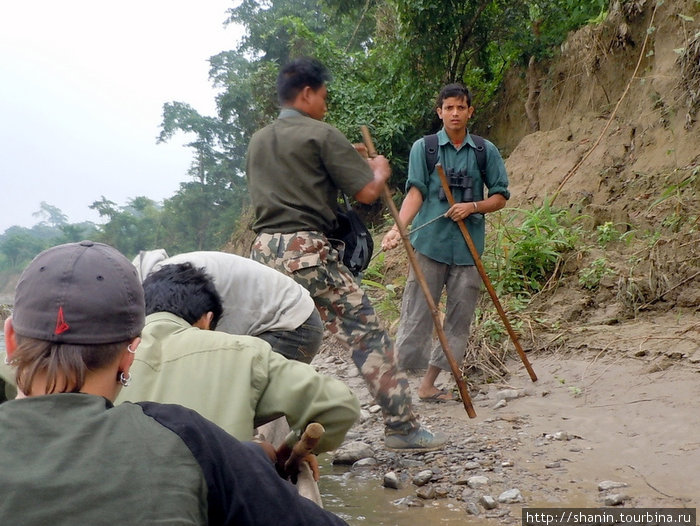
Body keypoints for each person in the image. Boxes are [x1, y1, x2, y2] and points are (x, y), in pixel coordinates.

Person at [0, 240, 346, 526]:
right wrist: (255, 459)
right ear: (129, 352)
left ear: (10, 339)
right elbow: (337, 406)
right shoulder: (184, 436)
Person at [246, 56, 445, 451]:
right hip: (306, 250)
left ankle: (247, 421)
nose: (326, 104)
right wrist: (380, 170)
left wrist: (346, 154)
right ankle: (402, 428)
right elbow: (366, 192)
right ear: (306, 94)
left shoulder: (259, 140)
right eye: (323, 96)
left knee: (272, 338)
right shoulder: (321, 133)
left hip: (262, 252)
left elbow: (300, 173)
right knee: (366, 334)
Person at [115, 262, 360, 456]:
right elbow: (340, 406)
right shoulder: (244, 351)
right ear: (207, 319)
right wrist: (289, 449)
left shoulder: (107, 356)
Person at [381, 83, 510, 402]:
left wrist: (473, 206)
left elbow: (500, 195)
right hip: (430, 246)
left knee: (458, 319)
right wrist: (399, 228)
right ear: (439, 112)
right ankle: (396, 385)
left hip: (468, 251)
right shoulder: (423, 149)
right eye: (448, 107)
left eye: (460, 107)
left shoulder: (484, 150)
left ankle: (428, 385)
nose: (454, 113)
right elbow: (416, 192)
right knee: (416, 314)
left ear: (470, 111)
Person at [132, 249, 323, 363]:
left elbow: (192, 346)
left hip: (293, 325)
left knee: (230, 391)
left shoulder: (172, 287)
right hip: (274, 314)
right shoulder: (167, 275)